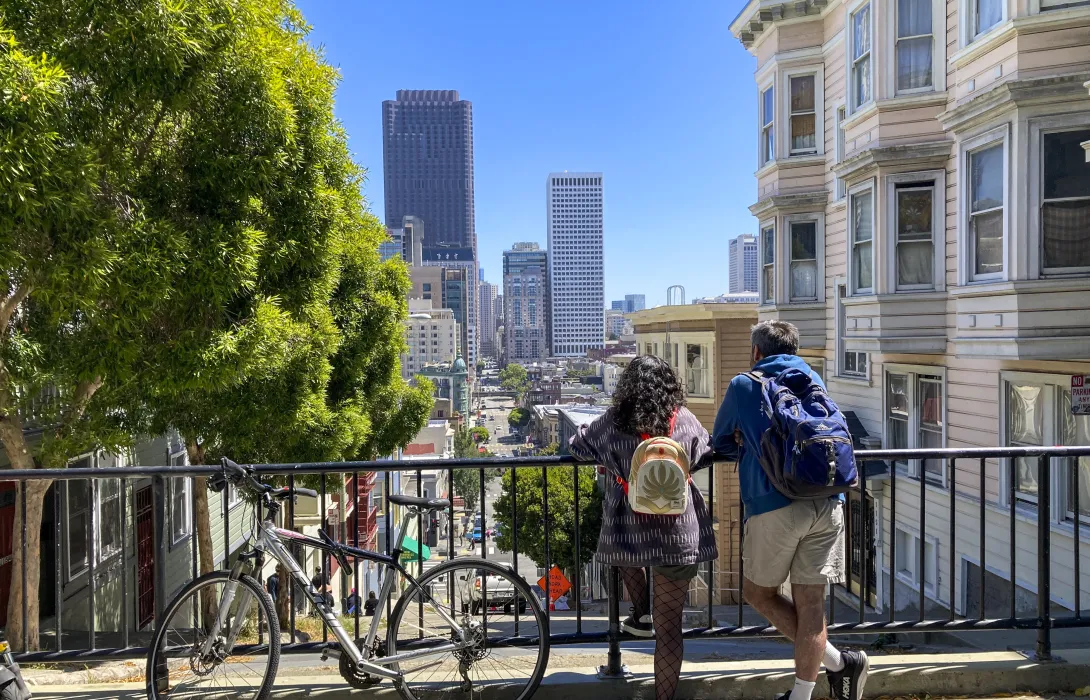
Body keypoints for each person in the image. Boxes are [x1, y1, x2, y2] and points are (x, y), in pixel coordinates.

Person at [712, 320, 868, 700]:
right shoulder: (813, 377)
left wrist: (744, 444)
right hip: (829, 499)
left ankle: (839, 663)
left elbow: (720, 441)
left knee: (758, 593)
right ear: (794, 349)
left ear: (755, 352)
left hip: (773, 504)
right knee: (811, 602)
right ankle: (817, 683)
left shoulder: (744, 384)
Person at [569, 355, 717, 700]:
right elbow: (706, 448)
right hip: (679, 532)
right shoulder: (684, 419)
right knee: (670, 630)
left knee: (622, 553)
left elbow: (579, 446)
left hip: (631, 529)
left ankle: (640, 611)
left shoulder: (615, 421)